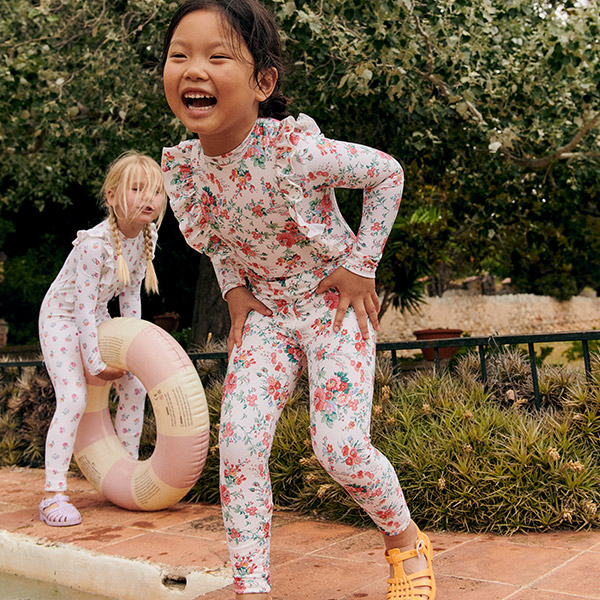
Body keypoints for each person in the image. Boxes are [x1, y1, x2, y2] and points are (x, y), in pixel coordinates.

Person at [160, 1, 436, 598]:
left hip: (332, 307)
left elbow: (387, 174)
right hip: (267, 315)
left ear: (263, 83)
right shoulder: (188, 168)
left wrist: (360, 265)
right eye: (179, 55)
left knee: (339, 447)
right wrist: (233, 288)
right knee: (238, 445)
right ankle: (250, 585)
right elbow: (218, 235)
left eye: (217, 56)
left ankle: (405, 539)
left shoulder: (295, 151)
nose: (194, 69)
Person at [38, 151, 167, 527]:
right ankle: (52, 494)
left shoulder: (147, 235)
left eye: (156, 191)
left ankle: (123, 474)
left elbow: (129, 297)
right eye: (137, 189)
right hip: (62, 318)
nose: (149, 198)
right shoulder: (95, 244)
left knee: (135, 387)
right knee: (74, 398)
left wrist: (132, 354)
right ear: (112, 196)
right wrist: (94, 363)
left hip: (95, 317)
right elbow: (80, 307)